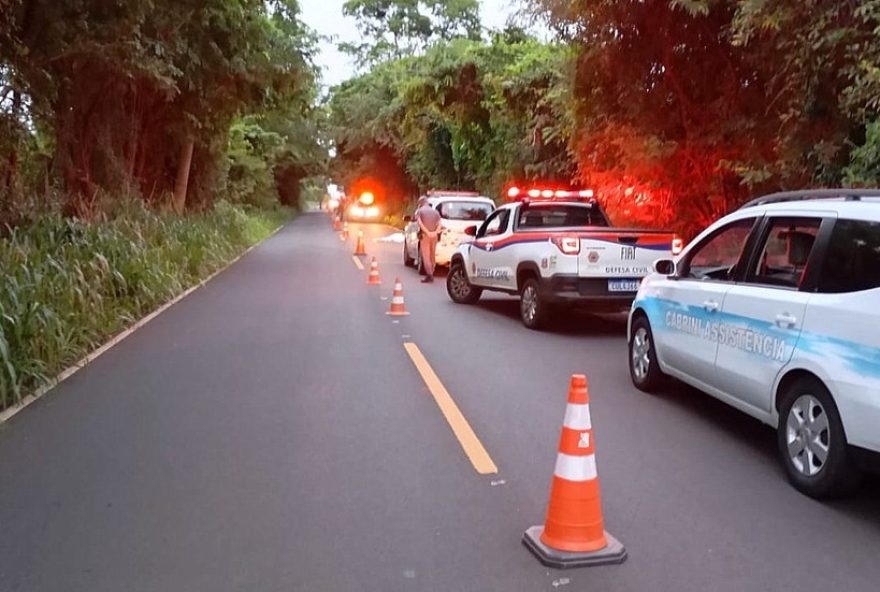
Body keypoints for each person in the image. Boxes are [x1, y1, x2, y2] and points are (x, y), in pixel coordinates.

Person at [415, 197, 442, 283]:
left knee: (426, 256)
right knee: (432, 255)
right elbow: (440, 224)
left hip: (425, 236)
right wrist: (435, 232)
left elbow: (419, 222)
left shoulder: (420, 211)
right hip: (434, 236)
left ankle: (429, 275)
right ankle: (432, 272)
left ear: (420, 203)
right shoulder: (435, 212)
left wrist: (427, 232)